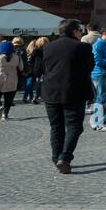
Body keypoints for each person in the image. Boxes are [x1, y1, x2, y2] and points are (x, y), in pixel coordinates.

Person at [41, 20, 94, 174]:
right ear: (74, 31)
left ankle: (55, 158)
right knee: (74, 126)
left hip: (51, 91)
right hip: (73, 91)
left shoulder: (48, 46)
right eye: (80, 30)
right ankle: (64, 158)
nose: (81, 33)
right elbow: (90, 66)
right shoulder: (82, 47)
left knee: (56, 127)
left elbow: (45, 68)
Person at [0, 39, 25, 120]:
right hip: (12, 78)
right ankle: (5, 115)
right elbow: (21, 68)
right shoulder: (17, 57)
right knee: (9, 98)